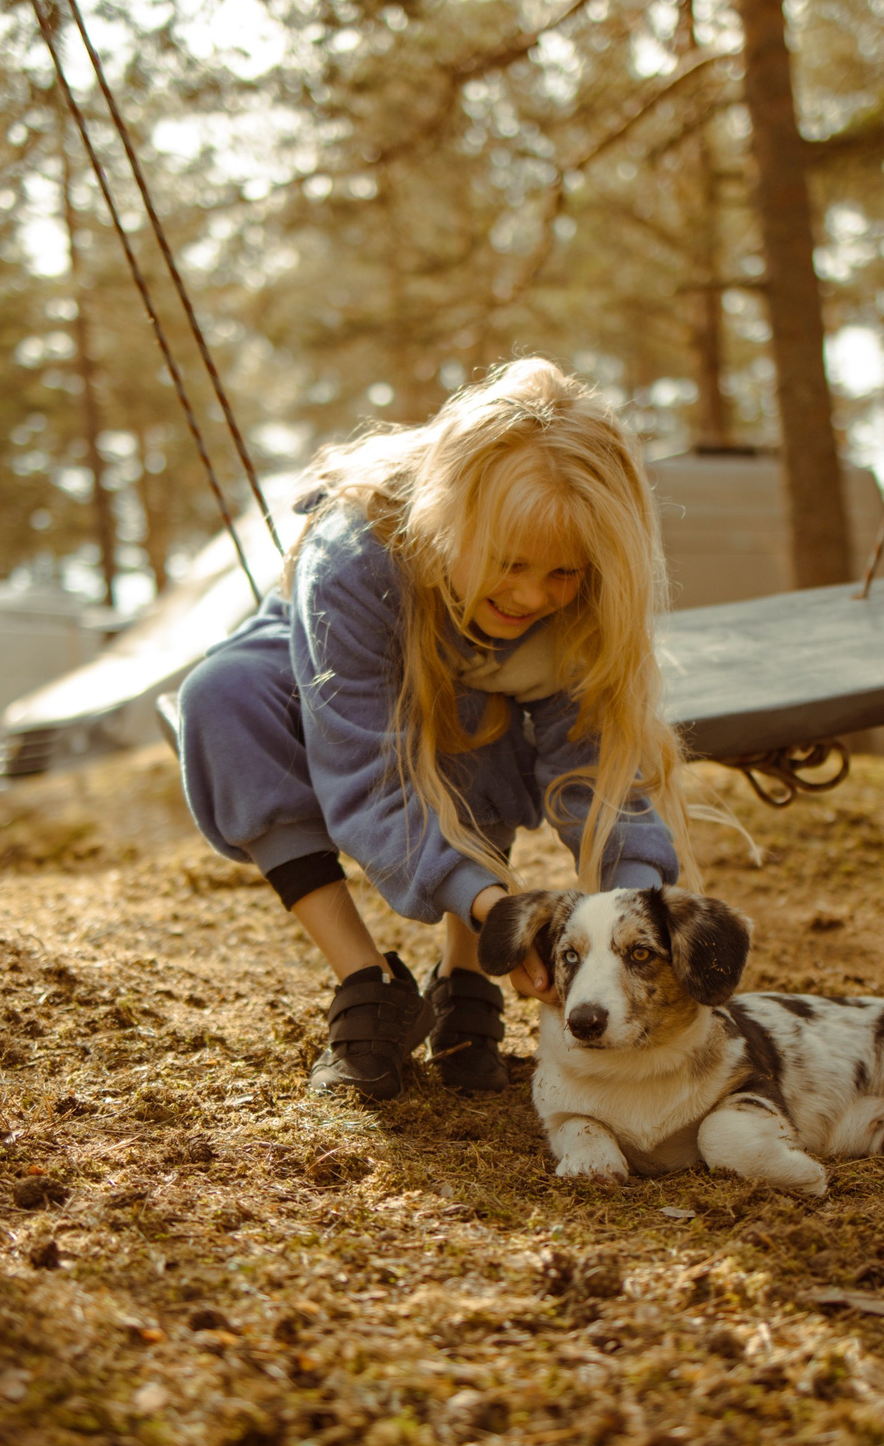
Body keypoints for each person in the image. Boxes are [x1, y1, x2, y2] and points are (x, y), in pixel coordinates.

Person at [173, 358, 712, 1100]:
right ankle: (368, 984)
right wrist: (501, 909)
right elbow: (370, 781)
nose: (531, 594)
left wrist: (640, 921)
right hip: (326, 678)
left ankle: (467, 980)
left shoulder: (581, 597)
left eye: (562, 574)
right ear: (452, 519)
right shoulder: (353, 552)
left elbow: (598, 772)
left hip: (472, 696)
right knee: (221, 696)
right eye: (509, 562)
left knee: (472, 702)